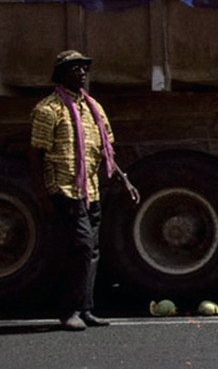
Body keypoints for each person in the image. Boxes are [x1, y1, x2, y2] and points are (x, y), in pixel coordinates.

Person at [29, 50, 137, 331]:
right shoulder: (49, 109)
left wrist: (124, 179)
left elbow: (106, 151)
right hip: (63, 189)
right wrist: (42, 194)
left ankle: (85, 308)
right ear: (61, 74)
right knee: (80, 246)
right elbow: (35, 154)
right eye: (75, 68)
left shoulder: (93, 109)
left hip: (90, 190)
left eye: (84, 68)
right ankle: (68, 311)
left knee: (92, 250)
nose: (82, 73)